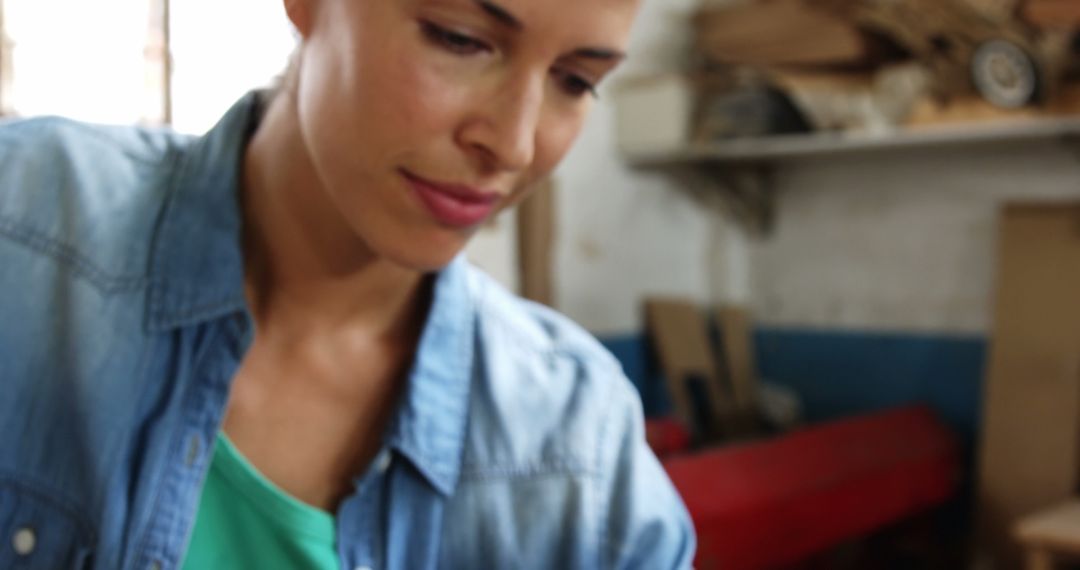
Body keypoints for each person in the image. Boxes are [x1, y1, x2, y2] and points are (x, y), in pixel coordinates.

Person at [0, 0, 695, 568]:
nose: (513, 144)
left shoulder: (579, 452)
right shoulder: (25, 231)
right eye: (460, 40)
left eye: (575, 80)